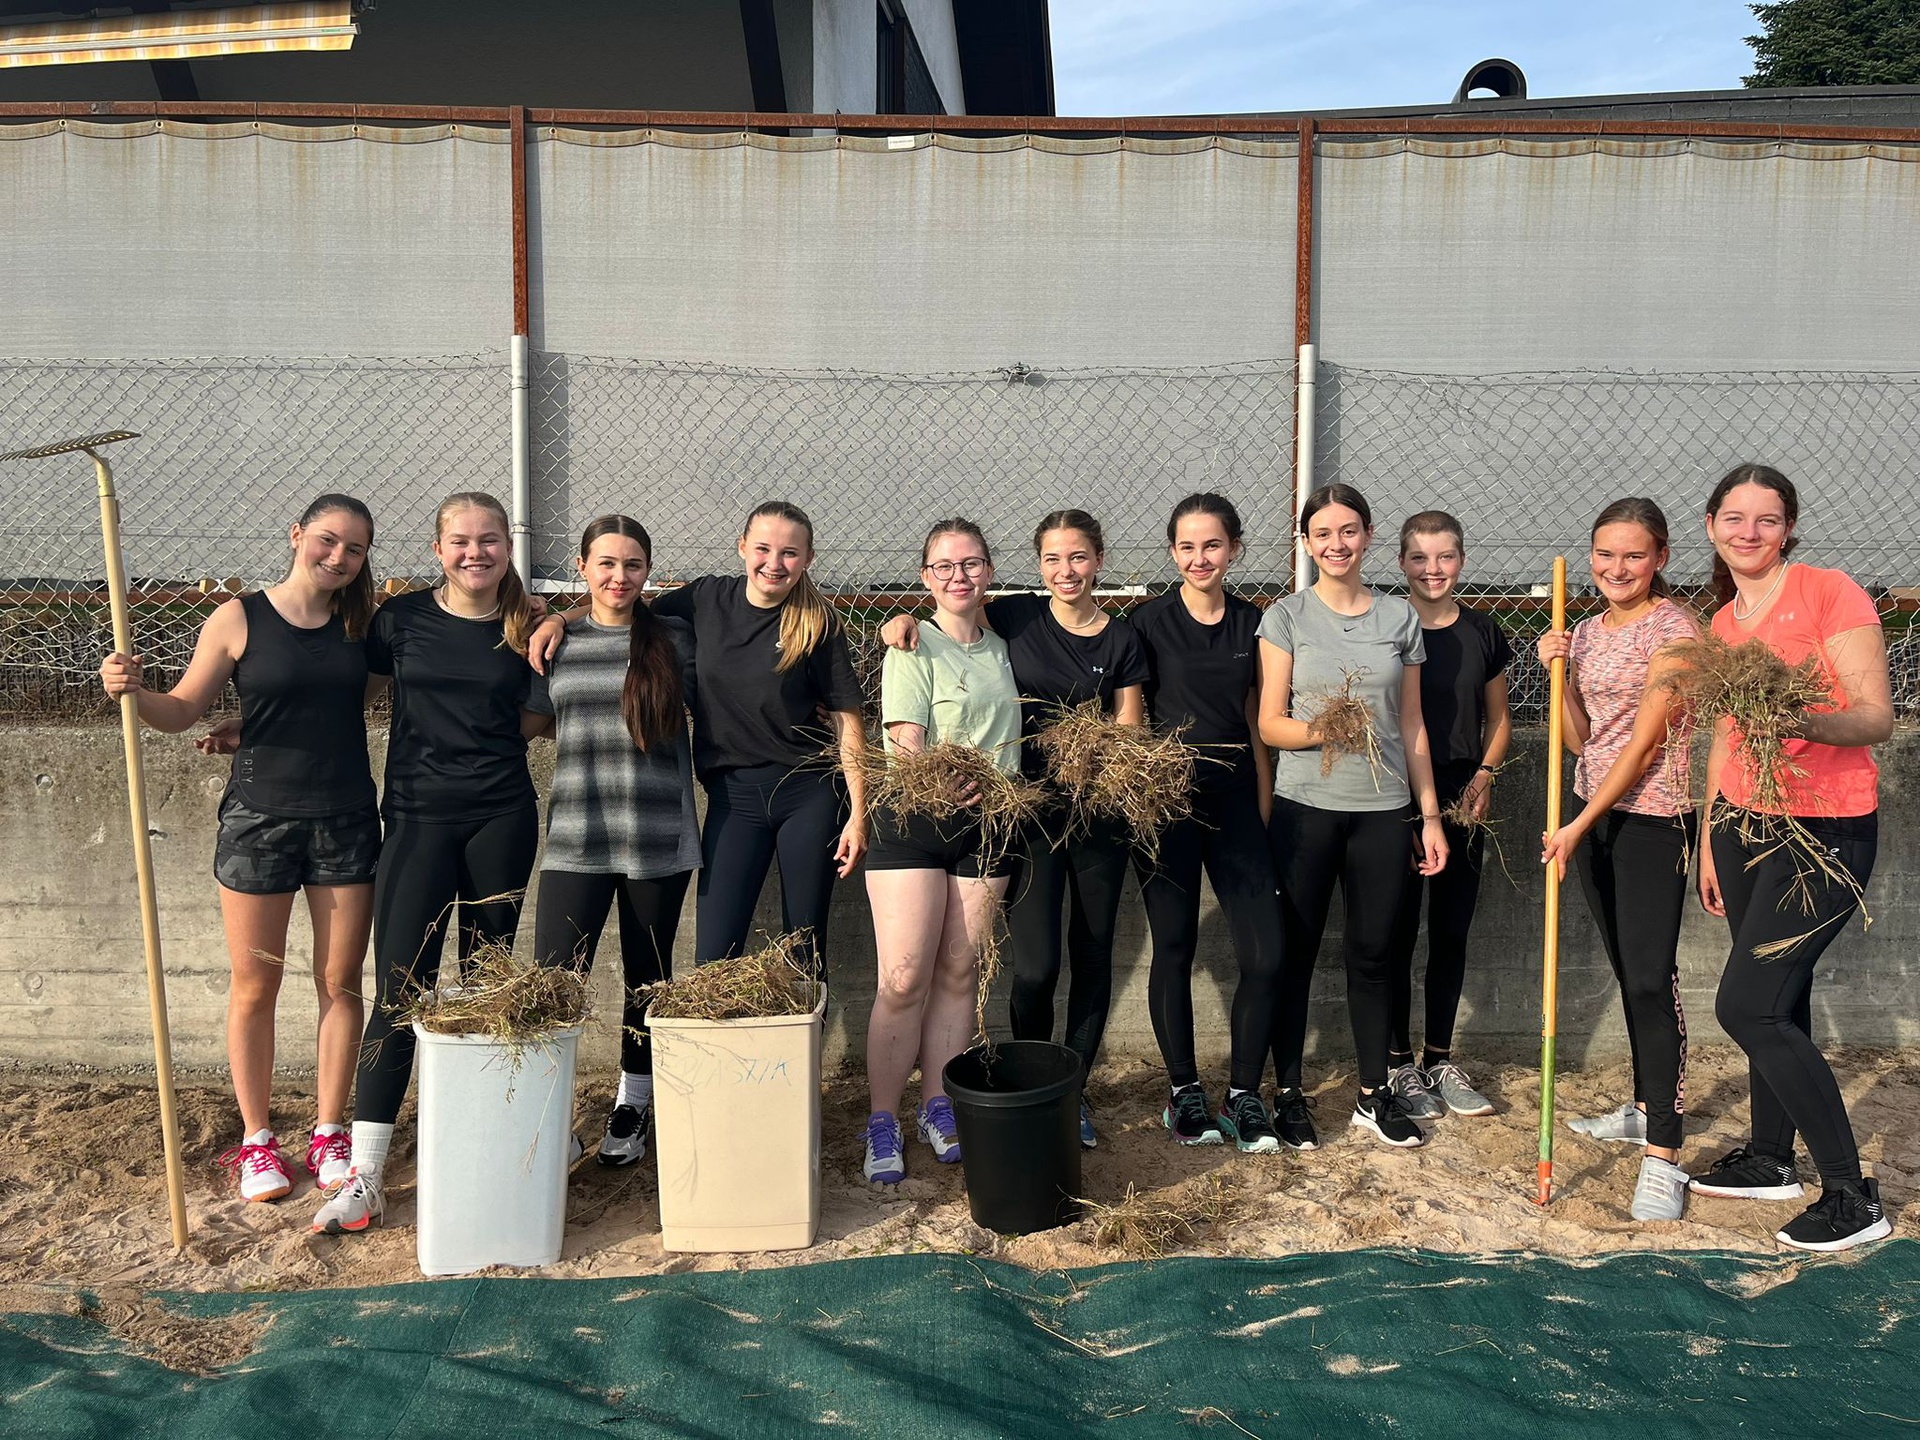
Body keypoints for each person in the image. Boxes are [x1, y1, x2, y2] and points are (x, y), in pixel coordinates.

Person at [99, 495, 379, 1203]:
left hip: (345, 821)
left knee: (340, 984)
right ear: (296, 536)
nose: (338, 557)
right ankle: (257, 1141)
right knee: (256, 983)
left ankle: (328, 1130)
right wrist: (131, 690)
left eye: (354, 549)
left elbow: (354, 696)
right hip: (259, 824)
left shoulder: (365, 627)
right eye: (327, 541)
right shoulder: (237, 617)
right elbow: (180, 711)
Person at [312, 492, 546, 1236]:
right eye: (460, 541)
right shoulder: (399, 620)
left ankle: (479, 1145)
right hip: (414, 820)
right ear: (438, 546)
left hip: (501, 819)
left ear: (509, 546)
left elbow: (537, 721)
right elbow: (343, 697)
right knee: (399, 991)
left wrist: (555, 623)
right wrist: (252, 722)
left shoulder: (531, 627)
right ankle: (368, 1174)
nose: (475, 553)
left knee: (485, 988)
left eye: (490, 540)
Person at [882, 509, 1148, 1148]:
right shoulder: (1021, 617)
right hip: (1025, 816)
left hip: (1095, 813)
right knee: (1032, 966)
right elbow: (945, 617)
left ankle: (1071, 1092)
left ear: (1100, 561)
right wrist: (900, 621)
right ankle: (1029, 1078)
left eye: (1079, 557)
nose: (1066, 570)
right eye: (1053, 559)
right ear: (1034, 567)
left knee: (1088, 956)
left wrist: (1098, 761)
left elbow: (1130, 726)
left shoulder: (1122, 638)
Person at [1687, 465, 1892, 1252]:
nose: (1748, 532)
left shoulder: (1828, 591)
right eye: (1733, 518)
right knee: (1783, 998)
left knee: (1748, 1005)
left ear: (1789, 528)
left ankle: (1850, 1193)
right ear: (1711, 526)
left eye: (1765, 520)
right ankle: (1772, 1158)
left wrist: (1793, 714)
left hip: (1825, 829)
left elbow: (1873, 716)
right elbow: (1725, 738)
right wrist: (1712, 832)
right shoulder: (1725, 625)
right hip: (1745, 825)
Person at [531, 502, 866, 984]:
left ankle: (798, 1056)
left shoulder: (819, 623)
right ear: (742, 548)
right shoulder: (705, 600)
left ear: (808, 559)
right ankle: (724, 1061)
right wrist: (561, 618)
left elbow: (847, 722)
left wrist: (858, 813)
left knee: (804, 946)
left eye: (789, 553)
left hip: (807, 792)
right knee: (713, 961)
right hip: (733, 796)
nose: (774, 562)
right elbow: (623, 605)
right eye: (764, 549)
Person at [1257, 483, 1447, 1150]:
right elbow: (1270, 724)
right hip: (1306, 809)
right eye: (1322, 534)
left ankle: (1373, 1095)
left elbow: (1413, 723)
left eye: (1348, 531)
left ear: (1367, 537)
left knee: (1374, 956)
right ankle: (1288, 1093)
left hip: (1384, 811)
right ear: (1306, 543)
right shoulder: (1285, 617)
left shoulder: (1400, 619)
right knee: (1295, 955)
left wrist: (1429, 814)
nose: (1336, 545)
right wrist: (1325, 730)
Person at [1538, 498, 1698, 1223]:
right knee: (1625, 966)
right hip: (1592, 814)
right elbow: (1582, 740)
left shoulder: (1677, 630)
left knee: (1647, 978)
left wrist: (1578, 825)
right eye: (1604, 554)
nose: (1615, 568)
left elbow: (1644, 746)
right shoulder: (1593, 631)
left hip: (1651, 817)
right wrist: (1561, 674)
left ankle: (1665, 1155)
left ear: (1660, 557)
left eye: (1632, 555)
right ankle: (1642, 1106)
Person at [526, 516, 699, 1169]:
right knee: (553, 981)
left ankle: (634, 1103)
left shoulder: (675, 641)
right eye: (605, 564)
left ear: (647, 570)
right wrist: (559, 619)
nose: (618, 577)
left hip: (657, 837)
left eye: (631, 565)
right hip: (577, 835)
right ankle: (549, 1108)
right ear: (582, 566)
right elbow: (536, 723)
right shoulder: (556, 644)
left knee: (647, 980)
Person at [860, 519, 1022, 1184]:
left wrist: (986, 796)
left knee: (959, 974)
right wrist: (944, 787)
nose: (960, 576)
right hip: (917, 820)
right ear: (926, 577)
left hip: (992, 823)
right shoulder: (910, 641)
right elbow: (906, 745)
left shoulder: (1005, 645)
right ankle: (880, 1119)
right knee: (903, 979)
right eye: (945, 565)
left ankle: (938, 1106)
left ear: (989, 572)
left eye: (973, 563)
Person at [1127, 494, 1283, 1154]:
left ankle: (1245, 1094)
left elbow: (1258, 722)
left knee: (1266, 953)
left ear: (1235, 550)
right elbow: (1131, 719)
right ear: (1172, 552)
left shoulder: (1257, 624)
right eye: (1187, 547)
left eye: (1212, 545)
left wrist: (1264, 803)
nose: (1200, 558)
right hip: (1166, 804)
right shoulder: (1146, 623)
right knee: (1175, 947)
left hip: (1236, 798)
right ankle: (1184, 1093)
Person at [1385, 512, 1513, 1122]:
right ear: (1401, 563)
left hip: (1463, 793)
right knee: (1393, 932)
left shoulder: (1483, 632)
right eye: (1419, 559)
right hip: (1395, 792)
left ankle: (1439, 1058)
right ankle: (1396, 1063)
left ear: (1461, 560)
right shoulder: (1387, 625)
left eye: (1444, 558)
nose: (1432, 570)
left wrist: (1485, 774)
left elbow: (1500, 719)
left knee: (1451, 929)